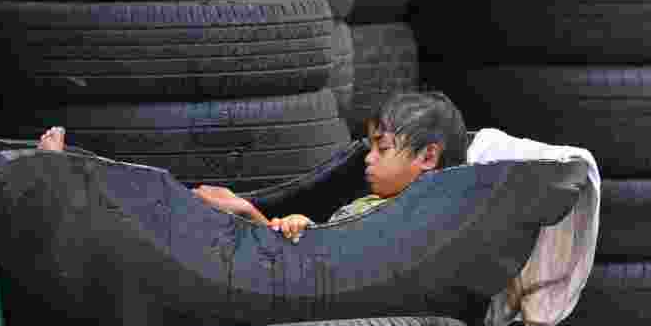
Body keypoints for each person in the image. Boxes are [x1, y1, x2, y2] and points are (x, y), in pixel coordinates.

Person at [35, 91, 470, 243]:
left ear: (427, 157)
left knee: (185, 218)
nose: (368, 158)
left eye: (383, 148)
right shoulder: (378, 203)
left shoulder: (416, 217)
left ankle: (72, 189)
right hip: (276, 256)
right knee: (183, 206)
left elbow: (319, 273)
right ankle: (79, 187)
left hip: (279, 275)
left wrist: (251, 217)